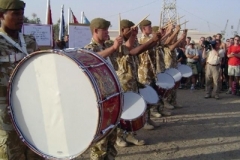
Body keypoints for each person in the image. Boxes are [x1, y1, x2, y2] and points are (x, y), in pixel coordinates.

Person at [0, 0, 44, 159]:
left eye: (22, 14)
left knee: (36, 152)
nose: (21, 18)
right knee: (11, 153)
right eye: (15, 14)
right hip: (5, 112)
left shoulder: (30, 42)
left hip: (32, 108)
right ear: (1, 15)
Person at [113, 19, 162, 147]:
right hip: (123, 82)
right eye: (130, 29)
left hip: (133, 80)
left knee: (132, 111)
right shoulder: (118, 44)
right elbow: (132, 51)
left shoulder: (131, 42)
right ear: (123, 30)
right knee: (123, 111)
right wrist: (152, 40)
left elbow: (140, 50)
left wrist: (154, 41)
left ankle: (130, 135)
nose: (132, 31)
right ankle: (119, 137)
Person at [83, 17, 123, 160]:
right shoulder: (89, 49)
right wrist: (112, 48)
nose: (107, 32)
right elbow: (93, 58)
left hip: (111, 97)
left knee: (111, 138)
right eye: (104, 30)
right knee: (100, 143)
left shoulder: (106, 46)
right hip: (99, 101)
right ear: (95, 31)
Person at [138, 20, 162, 129]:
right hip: (144, 73)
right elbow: (149, 44)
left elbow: (159, 44)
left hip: (150, 72)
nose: (151, 28)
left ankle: (148, 119)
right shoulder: (143, 39)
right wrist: (154, 38)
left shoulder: (149, 39)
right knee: (145, 98)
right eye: (149, 27)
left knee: (151, 95)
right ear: (143, 29)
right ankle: (144, 122)